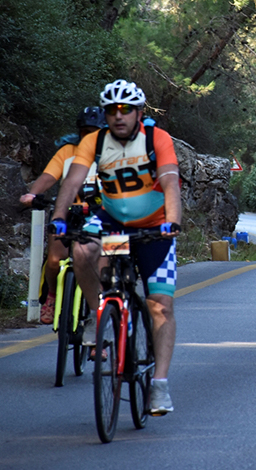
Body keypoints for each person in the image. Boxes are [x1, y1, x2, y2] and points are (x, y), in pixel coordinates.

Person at [50, 79, 182, 415]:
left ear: (139, 112)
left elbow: (169, 180)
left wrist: (172, 221)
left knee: (160, 307)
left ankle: (160, 386)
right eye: (111, 110)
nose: (118, 116)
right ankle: (99, 315)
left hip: (155, 229)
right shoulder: (94, 141)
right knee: (82, 250)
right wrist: (59, 217)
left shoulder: (157, 139)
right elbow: (73, 181)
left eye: (125, 110)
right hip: (113, 225)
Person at [19, 107, 106, 325]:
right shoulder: (68, 151)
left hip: (102, 215)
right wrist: (32, 194)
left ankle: (102, 318)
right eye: (85, 131)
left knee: (106, 266)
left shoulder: (113, 153)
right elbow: (49, 176)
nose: (90, 136)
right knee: (55, 260)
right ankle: (52, 296)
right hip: (70, 212)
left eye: (95, 132)